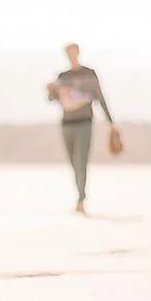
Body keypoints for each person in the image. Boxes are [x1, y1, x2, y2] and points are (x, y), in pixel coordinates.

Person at [45, 43, 119, 214]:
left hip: (84, 122)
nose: (71, 55)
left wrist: (111, 122)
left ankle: (81, 199)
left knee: (81, 161)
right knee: (73, 162)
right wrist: (51, 90)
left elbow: (100, 98)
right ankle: (79, 195)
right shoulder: (63, 76)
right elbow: (53, 99)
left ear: (78, 52)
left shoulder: (89, 74)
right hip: (66, 123)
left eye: (73, 52)